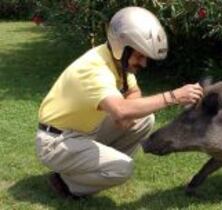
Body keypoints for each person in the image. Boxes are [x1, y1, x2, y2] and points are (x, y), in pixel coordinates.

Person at [35, 6, 203, 199]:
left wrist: (126, 113)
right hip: (56, 142)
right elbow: (121, 110)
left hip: (83, 132)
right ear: (122, 48)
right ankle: (65, 184)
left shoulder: (115, 62)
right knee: (123, 168)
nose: (144, 63)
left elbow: (133, 90)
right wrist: (173, 97)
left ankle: (87, 168)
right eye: (140, 56)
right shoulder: (94, 69)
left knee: (144, 118)